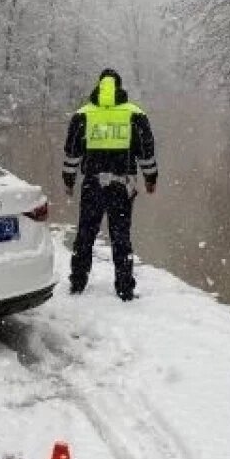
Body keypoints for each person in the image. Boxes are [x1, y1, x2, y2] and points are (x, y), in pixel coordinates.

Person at [62, 69, 157, 301]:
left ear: (99, 87)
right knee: (121, 236)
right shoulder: (135, 115)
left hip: (92, 185)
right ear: (119, 88)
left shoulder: (82, 115)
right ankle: (125, 288)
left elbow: (72, 153)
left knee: (85, 234)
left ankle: (77, 283)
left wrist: (69, 180)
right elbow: (146, 152)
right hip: (121, 187)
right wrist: (151, 178)